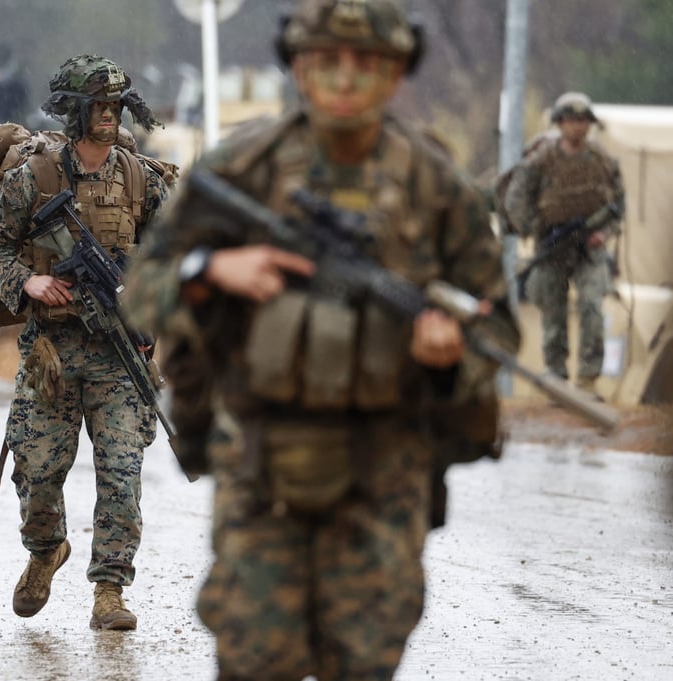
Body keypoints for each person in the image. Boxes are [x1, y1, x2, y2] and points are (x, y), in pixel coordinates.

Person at [123, 0, 521, 677]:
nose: (344, 78)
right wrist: (210, 270)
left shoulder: (436, 186)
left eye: (366, 63)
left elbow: (498, 327)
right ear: (299, 69)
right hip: (260, 464)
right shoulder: (241, 168)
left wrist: (451, 355)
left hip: (384, 472)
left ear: (396, 73)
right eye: (326, 61)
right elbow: (141, 290)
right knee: (255, 662)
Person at [0, 54, 169, 631]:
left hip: (119, 356)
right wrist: (27, 282)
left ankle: (109, 590)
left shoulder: (141, 179)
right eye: (98, 106)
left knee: (121, 476)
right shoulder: (34, 178)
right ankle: (45, 549)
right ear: (74, 111)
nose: (108, 116)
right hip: (52, 351)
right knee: (36, 471)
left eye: (115, 106)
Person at [504, 91, 625, 397]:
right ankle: (556, 376)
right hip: (553, 246)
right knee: (553, 312)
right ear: (559, 123)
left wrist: (604, 233)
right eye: (571, 120)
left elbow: (618, 202)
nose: (577, 126)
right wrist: (531, 228)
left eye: (583, 120)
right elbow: (517, 196)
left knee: (592, 307)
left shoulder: (602, 159)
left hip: (589, 248)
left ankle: (587, 379)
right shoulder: (542, 160)